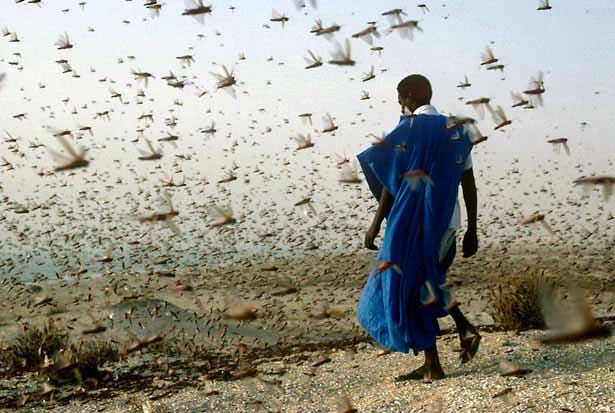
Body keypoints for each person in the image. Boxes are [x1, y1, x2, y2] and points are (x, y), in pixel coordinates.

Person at [356, 74, 480, 380]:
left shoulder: (408, 130)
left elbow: (389, 181)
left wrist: (374, 226)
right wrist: (473, 229)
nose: (399, 104)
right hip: (449, 222)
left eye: (400, 98)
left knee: (412, 287)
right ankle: (461, 331)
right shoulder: (458, 130)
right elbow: (468, 181)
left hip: (421, 224)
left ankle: (434, 364)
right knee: (427, 283)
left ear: (410, 96)